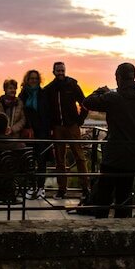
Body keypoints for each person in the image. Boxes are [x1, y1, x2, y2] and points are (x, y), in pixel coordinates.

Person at [82, 62, 135, 219]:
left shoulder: (113, 98)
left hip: (113, 155)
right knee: (124, 195)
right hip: (134, 156)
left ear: (118, 77)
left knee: (104, 193)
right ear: (134, 77)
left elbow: (87, 102)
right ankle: (122, 226)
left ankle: (100, 227)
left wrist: (101, 91)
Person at [44, 61, 90, 199]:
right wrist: (51, 126)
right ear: (53, 72)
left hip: (72, 126)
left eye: (62, 70)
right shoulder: (49, 89)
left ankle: (85, 188)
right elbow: (46, 110)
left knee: (80, 157)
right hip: (57, 127)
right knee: (59, 160)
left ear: (65, 70)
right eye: (58, 70)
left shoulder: (73, 85)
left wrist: (79, 121)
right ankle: (62, 189)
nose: (60, 73)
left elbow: (85, 103)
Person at [18, 69, 49, 199]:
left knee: (41, 160)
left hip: (42, 130)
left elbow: (49, 112)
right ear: (27, 80)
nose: (34, 80)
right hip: (27, 131)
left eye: (36, 78)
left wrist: (48, 129)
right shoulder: (23, 95)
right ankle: (30, 186)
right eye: (31, 78)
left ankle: (41, 188)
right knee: (29, 160)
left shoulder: (43, 94)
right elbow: (20, 113)